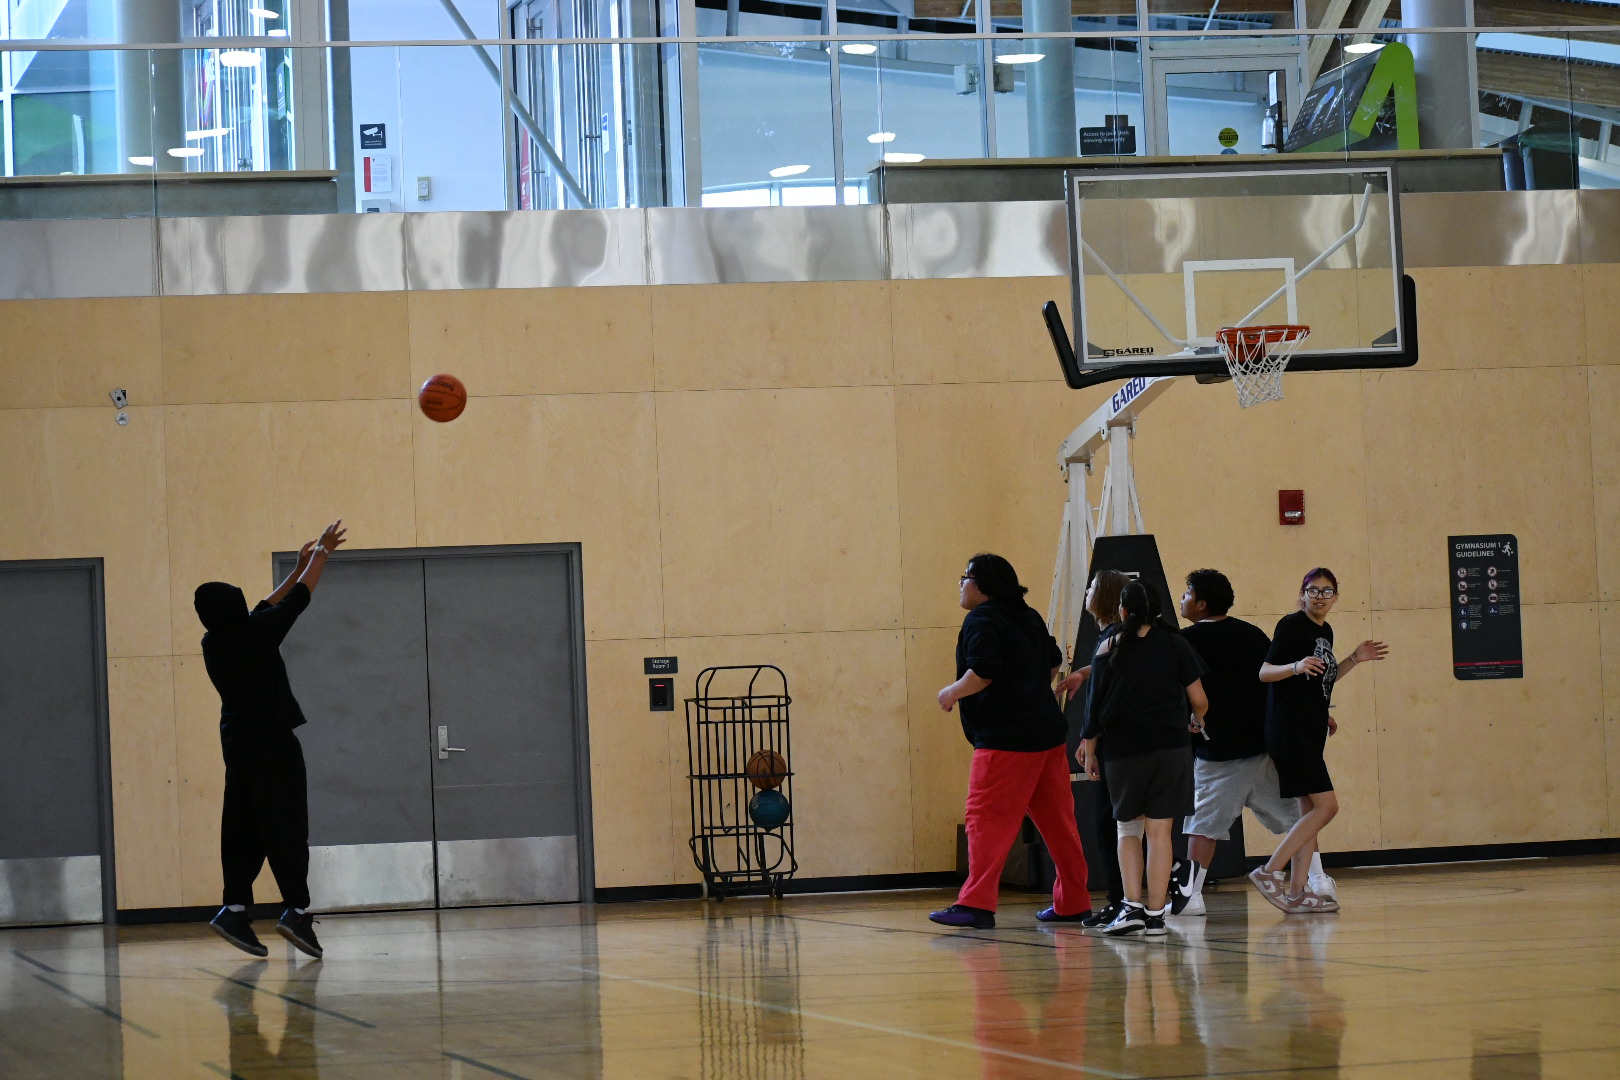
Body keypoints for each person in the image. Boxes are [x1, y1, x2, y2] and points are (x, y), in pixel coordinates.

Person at [197, 520, 347, 958]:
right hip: (273, 746)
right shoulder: (256, 635)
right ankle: (296, 911)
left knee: (243, 827)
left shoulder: (214, 641)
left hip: (239, 745)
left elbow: (266, 606)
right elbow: (300, 599)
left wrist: (296, 566)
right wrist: (321, 553)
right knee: (285, 825)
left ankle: (235, 907)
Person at [931, 553, 1092, 929]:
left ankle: (976, 903)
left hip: (1005, 740)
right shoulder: (1028, 615)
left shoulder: (982, 618)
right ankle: (1074, 900)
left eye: (965, 577)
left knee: (985, 819)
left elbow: (983, 671)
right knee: (1058, 823)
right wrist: (1031, 691)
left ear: (983, 585)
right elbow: (1053, 662)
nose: (960, 583)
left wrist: (952, 692)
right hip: (1047, 736)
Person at [1172, 568, 1310, 917]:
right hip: (1263, 747)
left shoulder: (1185, 643)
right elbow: (1280, 684)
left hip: (1219, 752)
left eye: (1187, 594)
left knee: (1203, 827)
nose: (1182, 599)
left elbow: (1184, 695)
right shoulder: (1253, 635)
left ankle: (1191, 895)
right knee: (1300, 820)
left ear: (1201, 603)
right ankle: (1312, 882)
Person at [1250, 567, 1388, 913]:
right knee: (1328, 807)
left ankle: (1297, 894)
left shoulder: (1325, 630)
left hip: (1309, 729)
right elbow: (1266, 673)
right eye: (1314, 590)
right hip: (1289, 731)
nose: (1320, 597)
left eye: (1328, 592)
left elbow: (1322, 680)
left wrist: (1355, 659)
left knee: (1309, 810)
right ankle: (1269, 872)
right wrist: (1295, 666)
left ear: (1336, 597)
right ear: (1303, 593)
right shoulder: (1291, 625)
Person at [1080, 581, 1206, 937]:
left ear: (1122, 610)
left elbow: (1093, 706)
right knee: (1161, 832)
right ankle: (1156, 916)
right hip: (1170, 748)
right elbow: (1198, 698)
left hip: (1124, 751)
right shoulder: (1176, 643)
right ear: (1159, 610)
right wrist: (1197, 719)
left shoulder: (1110, 644)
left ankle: (1132, 908)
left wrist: (1090, 750)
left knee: (1128, 830)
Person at [1056, 569, 1131, 929]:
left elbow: (1099, 701)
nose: (1085, 592)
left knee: (1110, 821)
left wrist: (1088, 743)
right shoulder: (1117, 636)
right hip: (1132, 743)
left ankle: (1122, 900)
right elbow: (1101, 672)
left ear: (1104, 596)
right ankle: (1127, 899)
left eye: (1090, 588)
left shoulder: (1114, 636)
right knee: (1120, 823)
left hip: (1119, 745)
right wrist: (1083, 674)